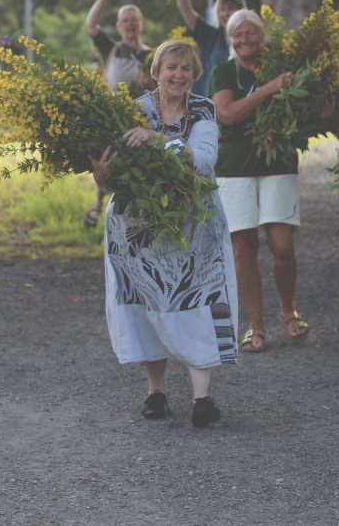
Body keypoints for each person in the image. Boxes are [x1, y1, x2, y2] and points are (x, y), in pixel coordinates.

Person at [92, 40, 239, 428]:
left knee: (198, 302)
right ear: (155, 71)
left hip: (193, 226)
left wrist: (160, 140)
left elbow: (204, 159)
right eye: (171, 67)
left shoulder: (203, 109)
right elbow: (113, 174)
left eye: (186, 68)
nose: (178, 75)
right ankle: (155, 390)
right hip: (137, 228)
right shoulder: (131, 110)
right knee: (145, 304)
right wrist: (101, 174)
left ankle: (201, 399)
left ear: (195, 73)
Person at [211, 9, 311, 353]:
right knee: (243, 247)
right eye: (236, 35)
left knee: (282, 246)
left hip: (278, 163)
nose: (243, 40)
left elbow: (302, 109)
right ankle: (255, 326)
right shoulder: (223, 71)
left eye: (250, 32)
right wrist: (270, 89)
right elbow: (226, 113)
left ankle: (287, 308)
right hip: (234, 168)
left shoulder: (282, 65)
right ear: (229, 40)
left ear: (263, 34)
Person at [83, 0, 156, 228]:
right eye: (125, 20)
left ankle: (139, 219)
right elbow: (91, 25)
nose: (130, 24)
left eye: (134, 20)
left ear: (141, 24)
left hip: (143, 122)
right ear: (118, 26)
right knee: (108, 164)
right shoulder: (111, 49)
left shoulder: (152, 55)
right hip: (112, 117)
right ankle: (104, 209)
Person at [170, 0, 246, 97]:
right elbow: (187, 13)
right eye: (222, 10)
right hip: (205, 106)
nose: (226, 14)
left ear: (240, 11)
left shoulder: (248, 40)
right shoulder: (210, 36)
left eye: (230, 8)